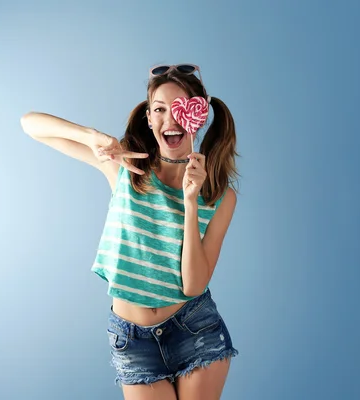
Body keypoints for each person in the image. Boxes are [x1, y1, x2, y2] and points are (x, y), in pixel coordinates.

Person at [20, 64, 239, 400]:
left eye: (179, 108)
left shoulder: (219, 195)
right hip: (132, 339)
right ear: (149, 119)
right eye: (160, 110)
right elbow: (30, 124)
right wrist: (92, 137)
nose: (170, 120)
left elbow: (194, 284)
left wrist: (191, 202)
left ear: (199, 115)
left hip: (193, 329)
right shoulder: (125, 166)